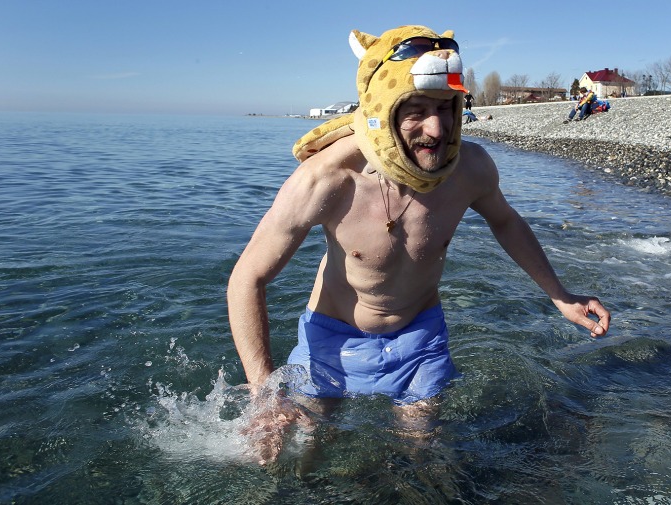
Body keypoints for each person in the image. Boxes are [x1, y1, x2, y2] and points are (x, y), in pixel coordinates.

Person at [228, 25, 610, 463]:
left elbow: (506, 222)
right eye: (417, 110)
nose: (438, 128)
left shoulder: (469, 169)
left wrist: (560, 297)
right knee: (304, 455)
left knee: (423, 458)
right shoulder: (327, 180)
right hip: (331, 342)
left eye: (447, 108)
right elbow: (247, 278)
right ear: (382, 110)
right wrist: (262, 391)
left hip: (420, 339)